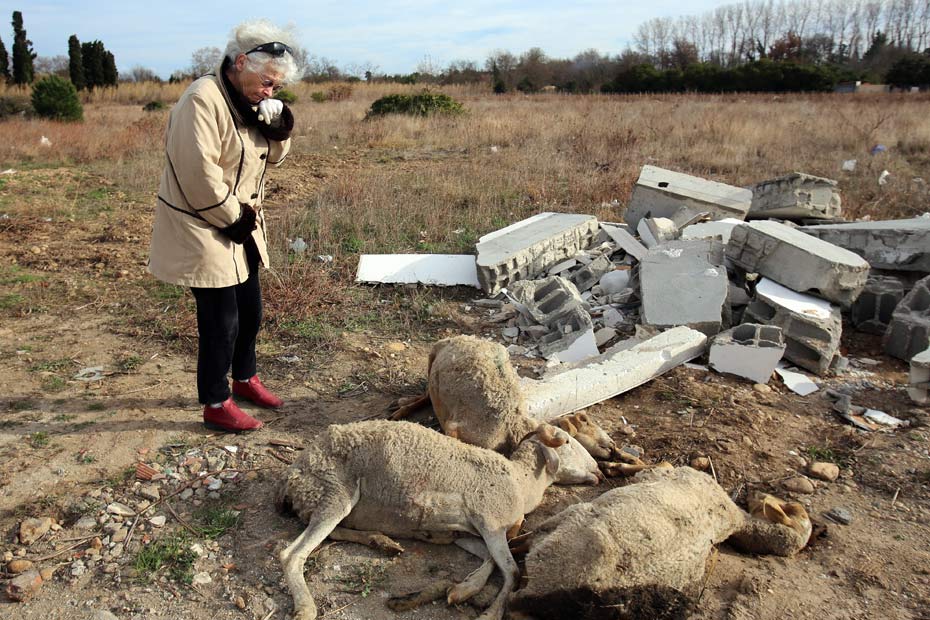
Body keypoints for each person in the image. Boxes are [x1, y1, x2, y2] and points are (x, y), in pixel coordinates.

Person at [148, 20, 299, 432]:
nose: (270, 91)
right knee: (221, 320)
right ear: (242, 62)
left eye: (277, 87)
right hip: (201, 223)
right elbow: (198, 176)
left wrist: (277, 127)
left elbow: (273, 158)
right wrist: (235, 219)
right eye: (267, 82)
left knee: (250, 312)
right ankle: (216, 402)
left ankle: (245, 379)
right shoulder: (203, 99)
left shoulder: (249, 101)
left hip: (238, 224)